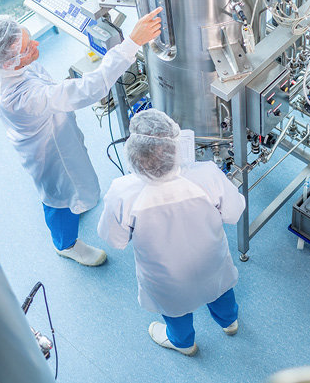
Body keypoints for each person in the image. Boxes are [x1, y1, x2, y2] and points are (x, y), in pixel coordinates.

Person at [0, 8, 162, 266]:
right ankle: (66, 244)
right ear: (9, 63)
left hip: (48, 126)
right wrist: (131, 43)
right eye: (28, 48)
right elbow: (90, 89)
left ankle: (73, 212)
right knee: (58, 195)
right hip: (47, 147)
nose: (36, 44)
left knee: (70, 186)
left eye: (28, 37)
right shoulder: (24, 98)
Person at [97, 109, 246, 356]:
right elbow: (234, 212)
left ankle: (183, 343)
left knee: (174, 309)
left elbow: (115, 239)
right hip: (210, 259)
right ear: (174, 147)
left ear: (133, 152)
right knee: (219, 290)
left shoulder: (122, 192)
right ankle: (229, 323)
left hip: (165, 275)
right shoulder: (206, 173)